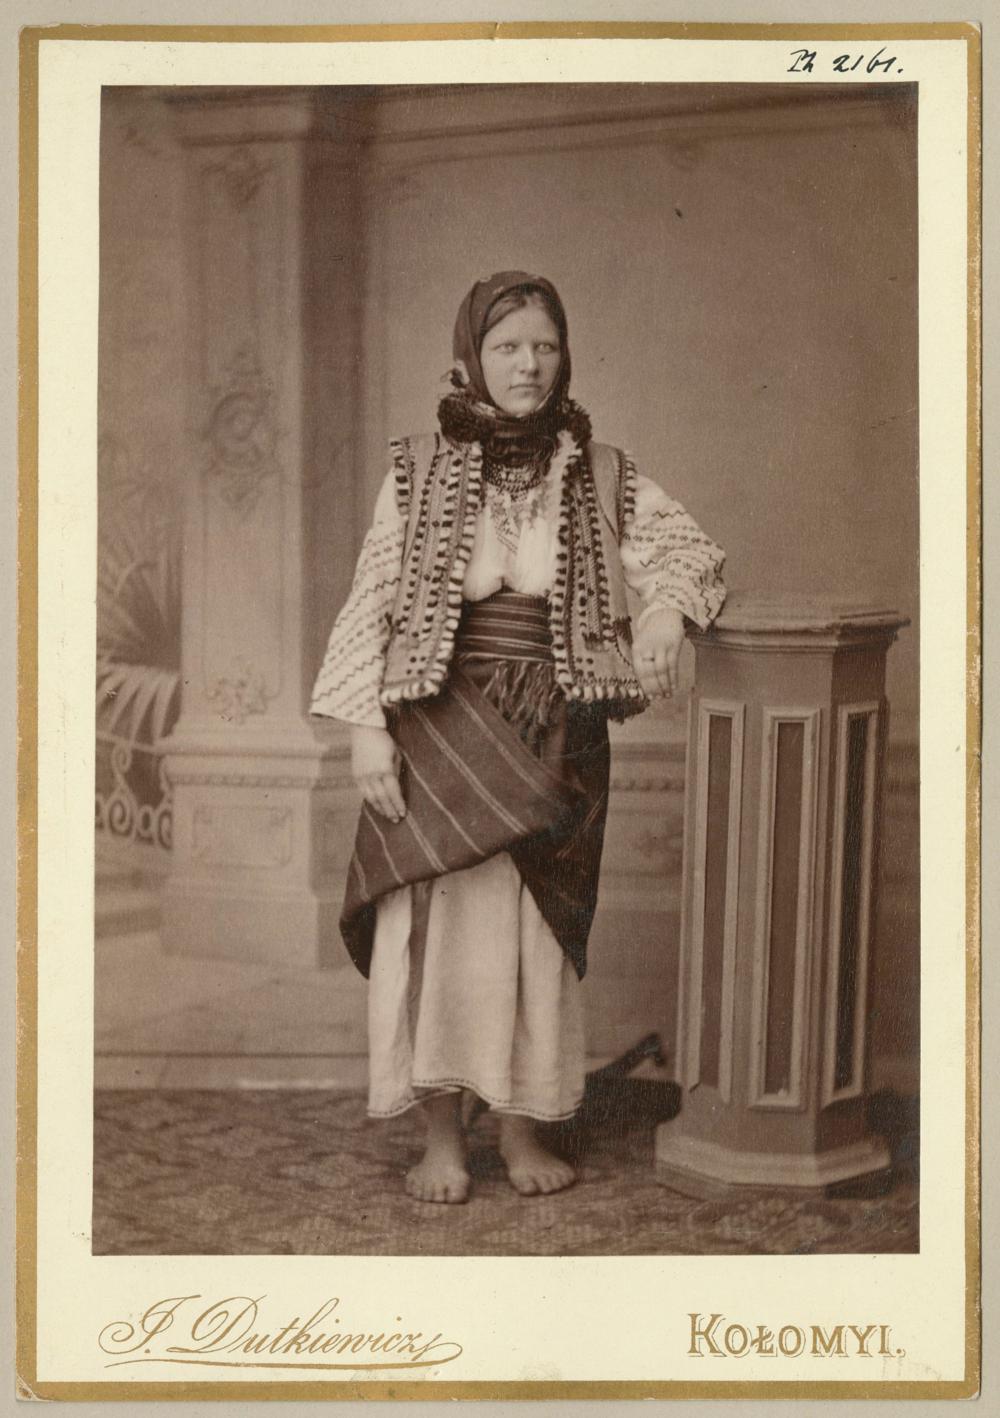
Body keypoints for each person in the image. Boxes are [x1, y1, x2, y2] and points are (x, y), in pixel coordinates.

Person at [311, 271, 725, 1204]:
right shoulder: (417, 468)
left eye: (544, 346)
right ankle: (442, 1141)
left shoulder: (599, 468)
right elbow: (372, 600)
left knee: (535, 932)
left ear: (564, 355)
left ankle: (524, 1127)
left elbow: (691, 554)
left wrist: (665, 612)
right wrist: (365, 733)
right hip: (436, 728)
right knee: (438, 933)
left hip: (556, 735)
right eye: (507, 348)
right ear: (472, 358)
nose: (528, 365)